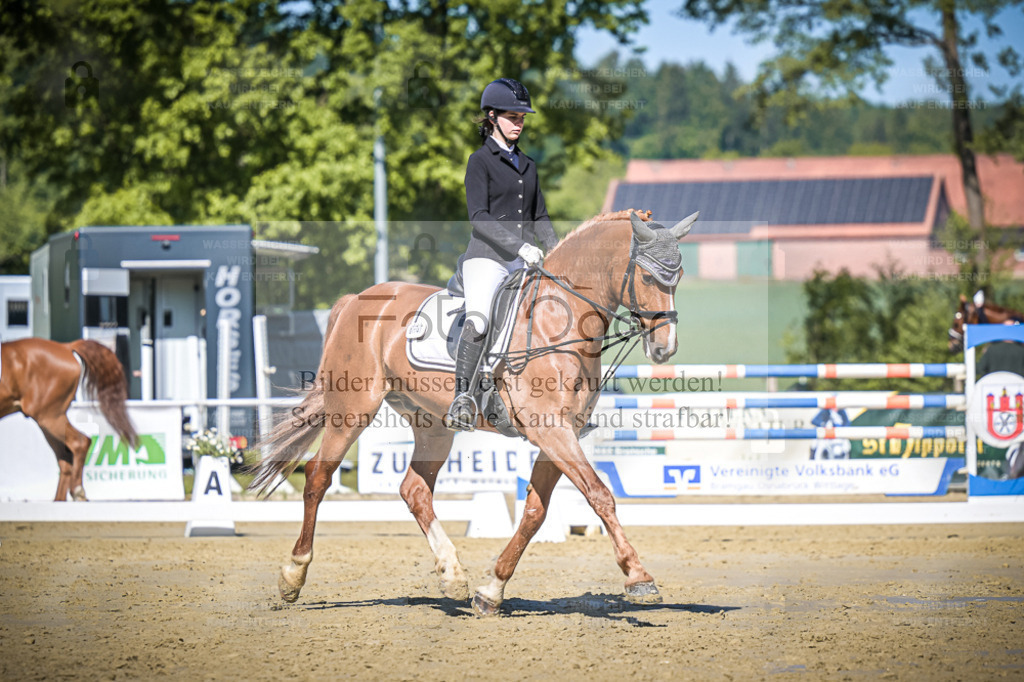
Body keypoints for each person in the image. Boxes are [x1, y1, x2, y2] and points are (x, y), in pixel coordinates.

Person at [445, 77, 558, 431]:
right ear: (492, 117)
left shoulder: (528, 165)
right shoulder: (479, 161)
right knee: (479, 320)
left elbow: (539, 216)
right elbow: (478, 217)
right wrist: (521, 247)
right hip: (486, 257)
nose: (519, 124)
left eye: (522, 118)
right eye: (513, 117)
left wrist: (556, 252)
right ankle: (462, 397)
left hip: (521, 261)